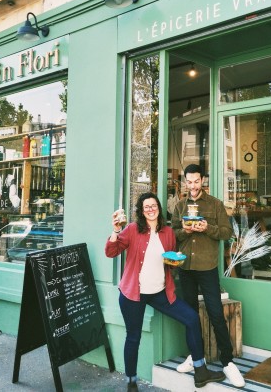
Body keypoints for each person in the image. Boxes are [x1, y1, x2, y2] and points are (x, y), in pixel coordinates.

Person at [105, 192, 225, 391]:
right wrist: (116, 231)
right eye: (146, 207)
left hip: (160, 292)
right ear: (141, 212)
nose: (151, 209)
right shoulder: (133, 229)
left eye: (154, 206)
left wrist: (174, 262)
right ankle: (131, 382)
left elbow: (169, 259)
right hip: (133, 293)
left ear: (159, 208)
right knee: (133, 337)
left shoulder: (168, 232)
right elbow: (111, 252)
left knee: (191, 318)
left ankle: (200, 370)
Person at [171, 164, 246, 388]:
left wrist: (207, 228)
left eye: (196, 181)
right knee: (190, 316)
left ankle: (228, 362)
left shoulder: (215, 204)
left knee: (215, 313)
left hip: (207, 268)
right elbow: (173, 233)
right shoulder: (179, 205)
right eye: (189, 182)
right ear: (185, 182)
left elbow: (227, 232)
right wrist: (186, 231)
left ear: (203, 180)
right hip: (185, 268)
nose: (193, 186)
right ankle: (195, 358)